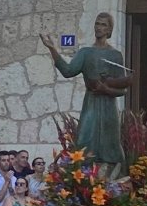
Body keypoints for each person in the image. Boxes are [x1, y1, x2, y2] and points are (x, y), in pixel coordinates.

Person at [40, 13, 131, 169]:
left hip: (109, 107)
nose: (99, 27)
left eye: (103, 25)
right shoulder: (85, 52)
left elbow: (122, 90)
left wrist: (106, 88)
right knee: (84, 141)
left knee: (111, 146)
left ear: (109, 29)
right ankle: (83, 179)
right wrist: (52, 49)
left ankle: (112, 178)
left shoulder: (115, 55)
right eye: (97, 23)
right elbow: (68, 71)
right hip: (91, 103)